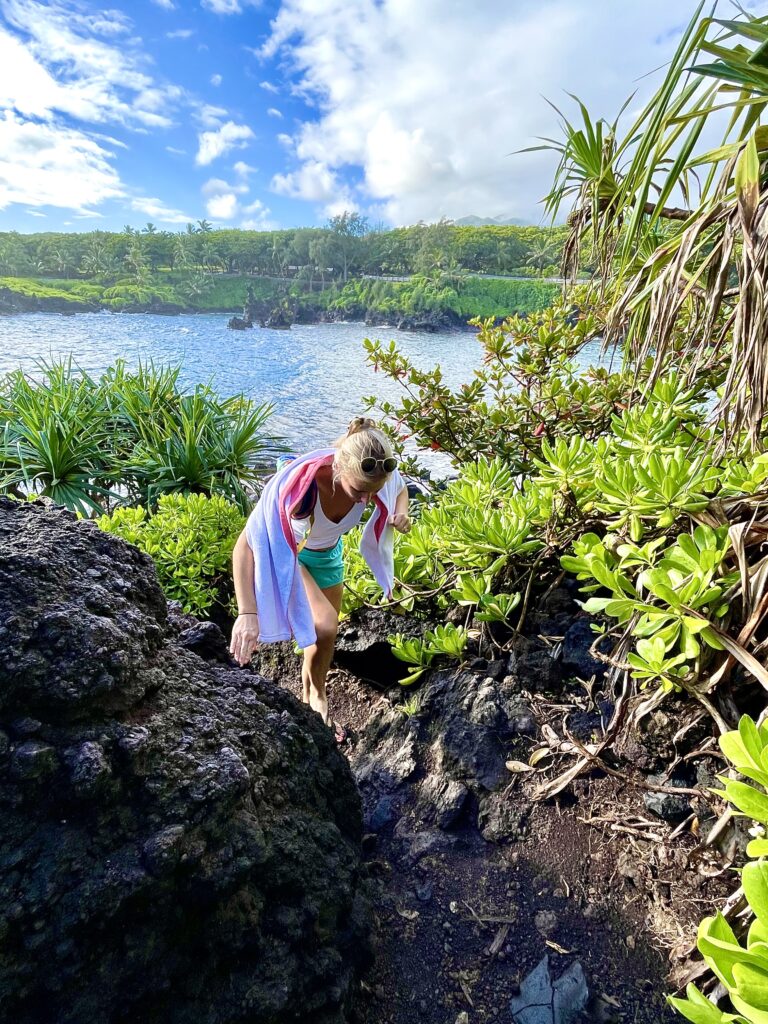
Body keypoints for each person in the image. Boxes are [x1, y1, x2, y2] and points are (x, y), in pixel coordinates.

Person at [230, 417, 411, 740]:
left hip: (327, 554)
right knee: (325, 623)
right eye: (358, 491)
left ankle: (312, 692)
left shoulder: (377, 469)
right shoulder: (301, 490)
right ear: (339, 468)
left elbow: (400, 490)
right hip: (292, 556)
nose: (365, 501)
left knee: (326, 636)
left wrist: (402, 513)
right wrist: (247, 612)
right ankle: (317, 699)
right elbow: (246, 544)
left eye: (373, 493)